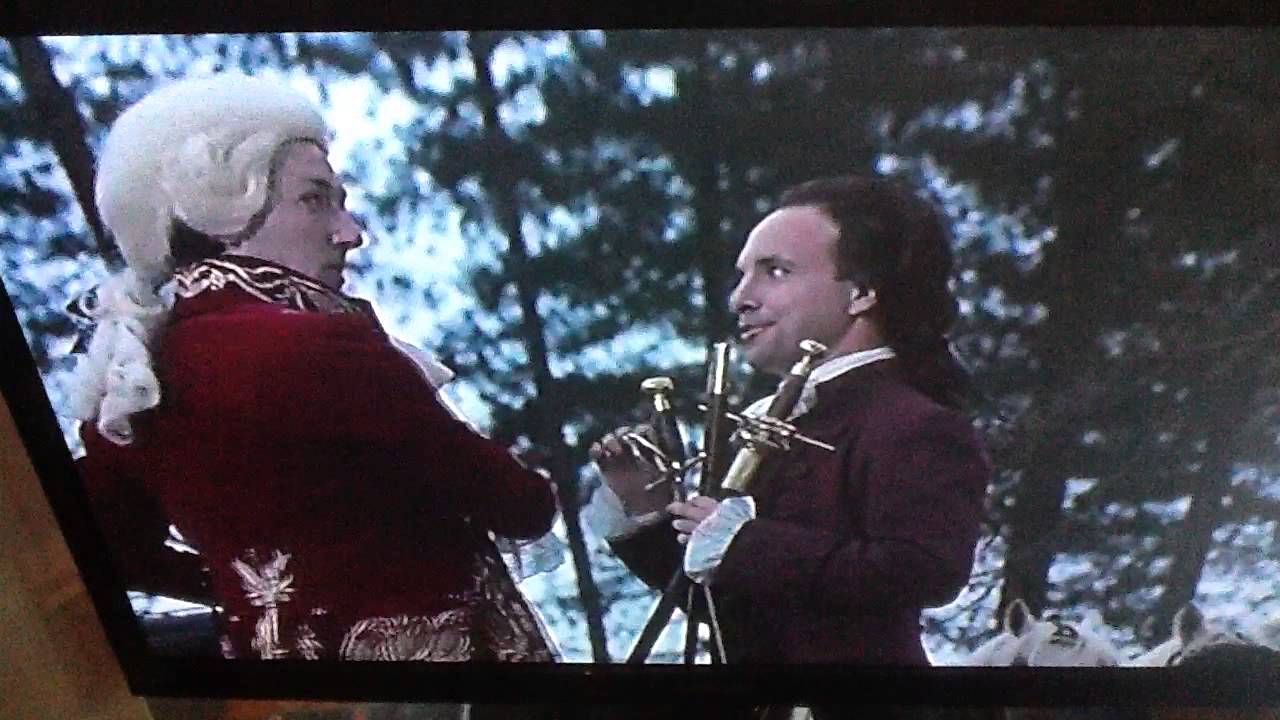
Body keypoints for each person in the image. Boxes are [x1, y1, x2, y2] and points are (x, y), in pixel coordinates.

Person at [66, 73, 558, 662]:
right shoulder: (320, 346)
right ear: (220, 209)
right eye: (314, 199)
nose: (350, 234)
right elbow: (522, 506)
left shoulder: (130, 377)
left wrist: (256, 599)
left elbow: (109, 548)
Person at [589, 175, 991, 676]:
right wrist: (648, 513)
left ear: (862, 292)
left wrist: (744, 544)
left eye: (775, 272)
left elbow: (924, 570)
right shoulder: (779, 419)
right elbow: (732, 612)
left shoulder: (914, 423)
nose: (740, 298)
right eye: (742, 275)